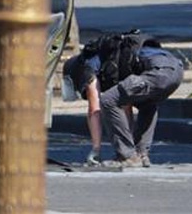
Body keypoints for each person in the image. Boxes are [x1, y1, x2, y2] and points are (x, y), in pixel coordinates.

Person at [62, 34, 184, 168]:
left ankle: (127, 156)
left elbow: (94, 109)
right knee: (147, 104)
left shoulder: (87, 66)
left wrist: (96, 150)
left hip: (157, 71)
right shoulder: (111, 55)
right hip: (176, 68)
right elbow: (125, 106)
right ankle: (140, 154)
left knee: (107, 100)